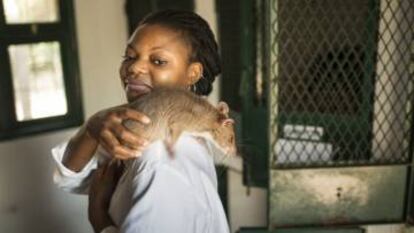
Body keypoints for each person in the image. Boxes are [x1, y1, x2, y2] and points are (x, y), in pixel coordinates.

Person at [51, 9, 230, 233]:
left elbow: (71, 179)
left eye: (158, 61)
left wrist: (98, 217)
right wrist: (91, 127)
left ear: (192, 74)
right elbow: (70, 175)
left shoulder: (160, 157)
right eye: (130, 56)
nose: (134, 67)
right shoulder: (145, 128)